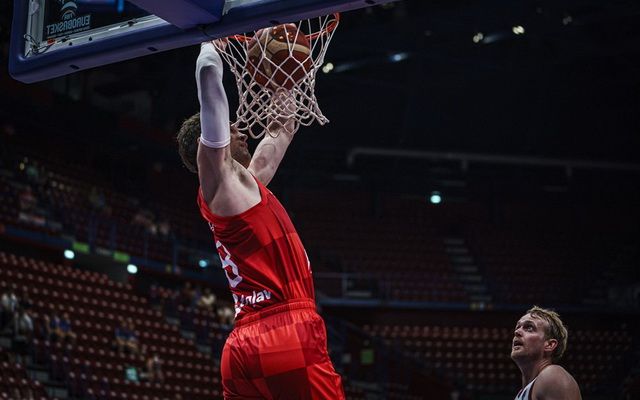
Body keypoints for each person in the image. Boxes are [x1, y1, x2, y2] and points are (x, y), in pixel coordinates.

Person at [176, 41, 344, 399]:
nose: (239, 128)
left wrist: (283, 80)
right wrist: (211, 39)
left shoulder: (246, 186)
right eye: (228, 128)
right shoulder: (218, 181)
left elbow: (281, 129)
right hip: (284, 330)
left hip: (243, 345)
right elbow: (208, 76)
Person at [511, 306, 582, 400]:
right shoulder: (522, 393)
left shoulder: (552, 376)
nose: (517, 332)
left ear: (549, 345)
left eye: (529, 328)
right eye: (517, 327)